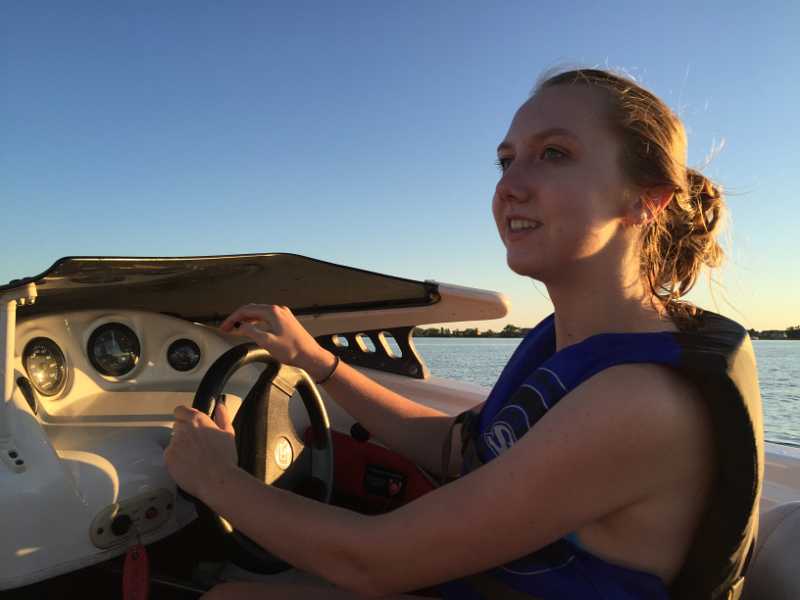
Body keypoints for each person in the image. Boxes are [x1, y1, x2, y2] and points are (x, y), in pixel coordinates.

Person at [165, 68, 763, 599]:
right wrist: (316, 361)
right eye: (506, 160)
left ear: (645, 201)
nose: (510, 186)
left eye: (554, 154)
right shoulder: (569, 340)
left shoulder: (641, 400)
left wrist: (215, 478)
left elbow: (373, 562)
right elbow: (462, 449)